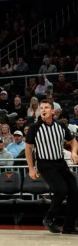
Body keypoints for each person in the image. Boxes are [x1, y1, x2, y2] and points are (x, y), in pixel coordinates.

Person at [25, 100, 78, 234]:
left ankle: (69, 226)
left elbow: (73, 141)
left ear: (53, 111)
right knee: (60, 190)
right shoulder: (34, 127)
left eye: (46, 107)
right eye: (41, 108)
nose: (43, 109)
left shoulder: (60, 125)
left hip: (60, 162)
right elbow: (28, 148)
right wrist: (31, 168)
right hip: (45, 164)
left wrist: (74, 152)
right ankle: (49, 218)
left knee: (74, 191)